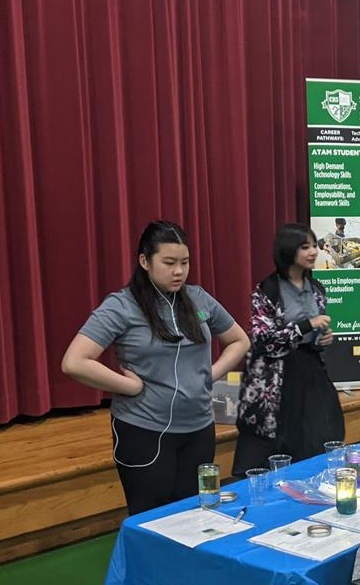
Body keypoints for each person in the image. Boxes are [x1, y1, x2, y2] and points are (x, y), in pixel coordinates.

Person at [62, 221, 250, 515]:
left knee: (195, 514)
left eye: (184, 263)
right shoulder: (121, 306)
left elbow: (239, 340)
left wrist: (209, 374)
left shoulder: (198, 299)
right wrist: (131, 386)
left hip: (198, 429)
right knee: (151, 519)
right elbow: (74, 362)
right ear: (144, 261)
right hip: (144, 431)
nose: (178, 271)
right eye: (169, 263)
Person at [233, 223, 344, 474]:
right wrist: (305, 326)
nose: (313, 251)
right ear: (288, 250)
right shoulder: (267, 291)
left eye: (315, 245)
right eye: (305, 247)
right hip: (274, 378)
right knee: (276, 446)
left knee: (321, 435)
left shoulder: (317, 289)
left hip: (310, 370)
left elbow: (315, 329)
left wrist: (323, 338)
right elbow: (263, 340)